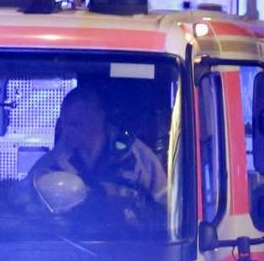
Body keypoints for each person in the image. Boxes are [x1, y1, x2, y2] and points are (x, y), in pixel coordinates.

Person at [25, 83, 163, 217]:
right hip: (69, 238)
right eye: (63, 123)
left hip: (127, 238)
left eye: (74, 124)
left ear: (98, 119)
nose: (65, 131)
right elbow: (24, 194)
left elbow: (166, 205)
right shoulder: (56, 159)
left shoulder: (135, 155)